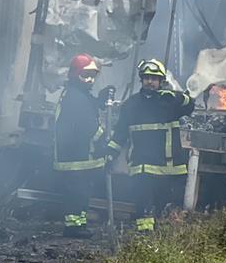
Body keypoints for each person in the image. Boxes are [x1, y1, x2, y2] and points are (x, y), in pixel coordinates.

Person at [104, 59, 194, 232]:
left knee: (164, 202)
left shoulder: (169, 102)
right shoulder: (131, 104)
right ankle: (144, 235)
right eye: (147, 78)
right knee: (143, 201)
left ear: (161, 81)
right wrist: (110, 152)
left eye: (154, 78)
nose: (150, 82)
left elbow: (190, 105)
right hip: (142, 164)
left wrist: (174, 95)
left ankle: (160, 234)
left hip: (168, 165)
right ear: (142, 80)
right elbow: (121, 132)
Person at [52, 53, 108, 236]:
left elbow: (88, 108)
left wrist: (100, 100)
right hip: (75, 156)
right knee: (76, 193)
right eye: (85, 75)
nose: (90, 80)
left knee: (82, 192)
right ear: (75, 75)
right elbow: (88, 125)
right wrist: (103, 138)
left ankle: (79, 224)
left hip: (77, 156)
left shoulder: (76, 94)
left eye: (93, 76)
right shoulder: (75, 97)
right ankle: (73, 227)